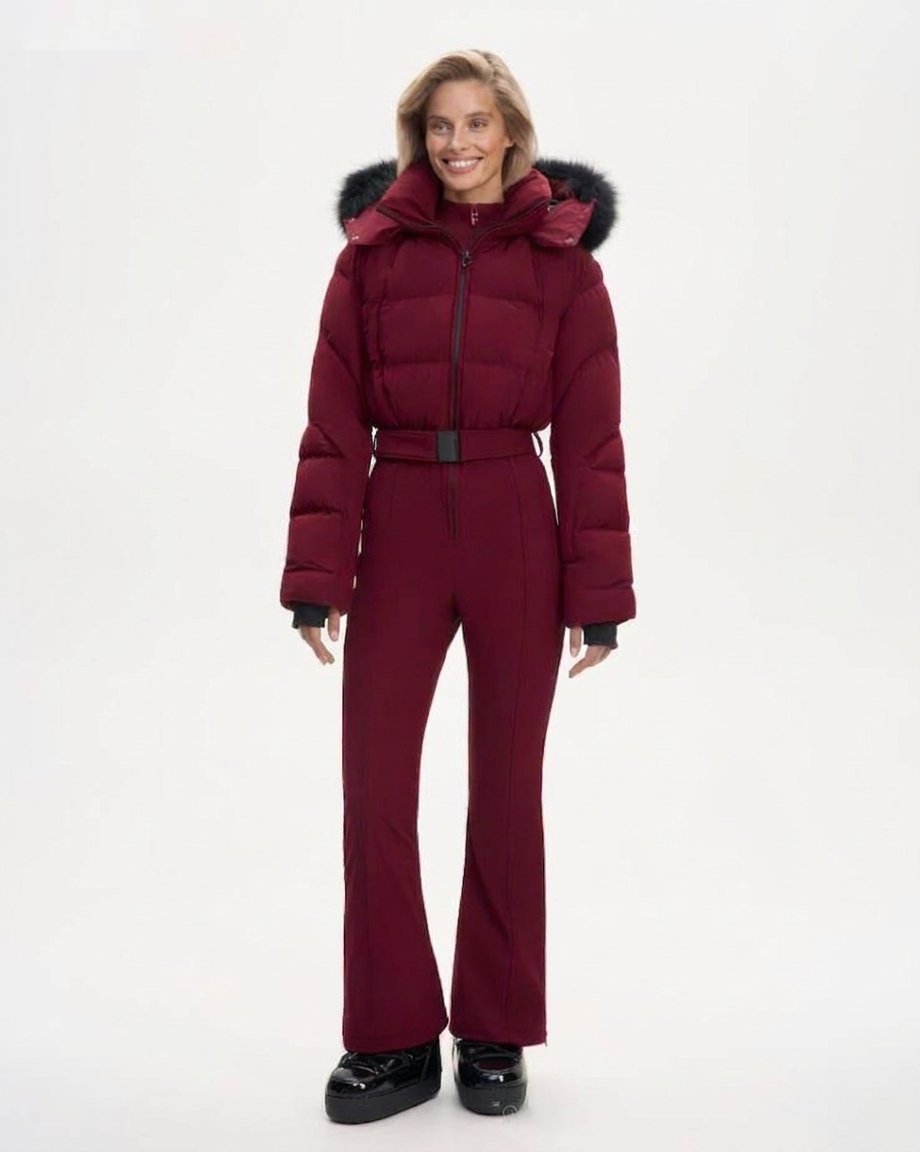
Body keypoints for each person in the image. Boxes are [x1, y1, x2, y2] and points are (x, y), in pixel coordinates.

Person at [278, 48, 636, 1124]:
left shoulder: (565, 265)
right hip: (394, 518)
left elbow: (592, 438)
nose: (458, 143)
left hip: (511, 516)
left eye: (477, 122)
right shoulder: (371, 256)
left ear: (510, 130)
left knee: (506, 788)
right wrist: (316, 577)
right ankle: (391, 1036)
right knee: (375, 786)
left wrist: (598, 593)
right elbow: (331, 421)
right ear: (418, 136)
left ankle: (493, 1029)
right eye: (440, 125)